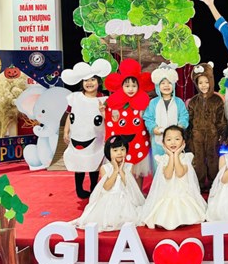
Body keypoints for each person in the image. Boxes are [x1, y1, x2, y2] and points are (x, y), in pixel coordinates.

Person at [72, 134, 145, 231]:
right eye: (115, 150)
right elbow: (107, 187)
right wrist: (115, 170)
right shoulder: (105, 168)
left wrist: (121, 170)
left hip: (125, 197)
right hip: (109, 198)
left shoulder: (129, 166)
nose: (119, 153)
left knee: (131, 216)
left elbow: (128, 185)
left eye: (122, 149)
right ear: (108, 152)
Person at [61, 59, 111, 199]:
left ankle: (94, 187)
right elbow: (70, 115)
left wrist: (103, 112)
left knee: (94, 161)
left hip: (95, 136)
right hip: (78, 135)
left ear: (99, 81)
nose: (89, 83)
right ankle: (79, 188)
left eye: (93, 79)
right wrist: (66, 131)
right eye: (86, 80)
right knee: (79, 161)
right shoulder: (74, 97)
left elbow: (109, 119)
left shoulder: (104, 99)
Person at [140, 126, 206, 230]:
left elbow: (180, 173)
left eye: (177, 139)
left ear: (183, 142)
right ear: (163, 143)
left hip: (183, 193)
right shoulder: (162, 159)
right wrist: (171, 156)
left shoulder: (186, 157)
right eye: (169, 139)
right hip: (167, 194)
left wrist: (176, 155)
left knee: (188, 216)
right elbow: (168, 175)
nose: (173, 142)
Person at [104, 59, 154, 190]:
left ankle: (138, 193)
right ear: (121, 86)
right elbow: (109, 121)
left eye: (134, 85)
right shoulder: (115, 104)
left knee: (139, 171)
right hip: (122, 143)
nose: (130, 89)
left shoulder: (144, 103)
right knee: (122, 168)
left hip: (139, 142)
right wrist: (106, 113)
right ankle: (124, 193)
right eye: (127, 86)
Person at [187, 62, 227, 192]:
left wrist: (223, 135)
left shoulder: (217, 100)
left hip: (213, 136)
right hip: (196, 136)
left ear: (211, 81)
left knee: (213, 159)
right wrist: (188, 137)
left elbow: (221, 120)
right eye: (200, 83)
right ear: (196, 84)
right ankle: (199, 183)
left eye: (206, 82)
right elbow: (190, 121)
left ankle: (214, 183)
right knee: (198, 159)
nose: (204, 85)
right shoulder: (193, 101)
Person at [144, 63, 189, 172]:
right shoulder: (153, 103)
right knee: (159, 166)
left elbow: (184, 115)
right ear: (158, 86)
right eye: (163, 83)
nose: (166, 85)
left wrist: (181, 126)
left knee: (176, 164)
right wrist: (153, 128)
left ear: (173, 85)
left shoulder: (179, 102)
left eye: (169, 83)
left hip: (175, 141)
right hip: (158, 141)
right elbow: (148, 118)